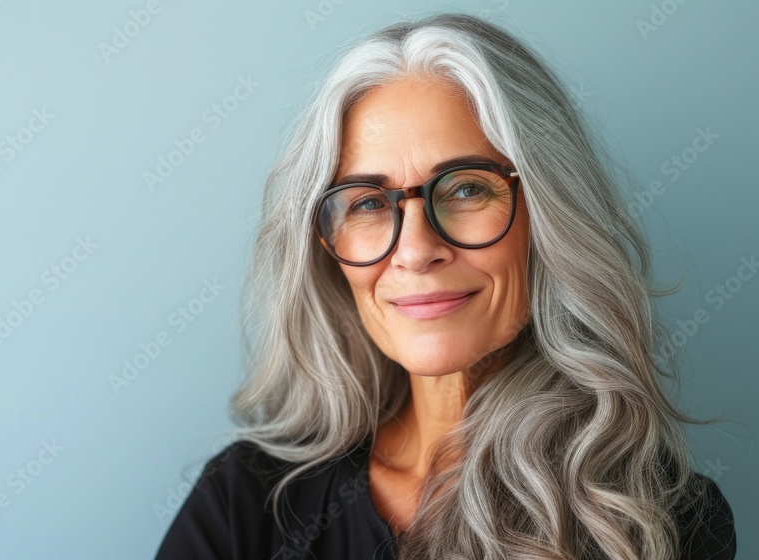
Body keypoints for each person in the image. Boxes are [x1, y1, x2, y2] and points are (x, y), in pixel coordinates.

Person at [154, 12, 736, 560]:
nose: (414, 250)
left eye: (464, 189)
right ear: (327, 249)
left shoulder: (654, 519)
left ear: (550, 215)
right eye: (365, 203)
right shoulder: (246, 503)